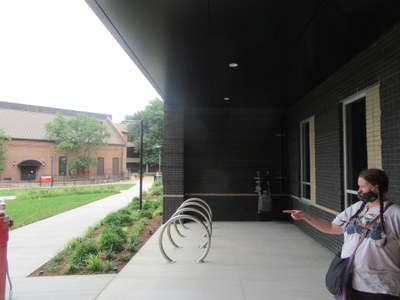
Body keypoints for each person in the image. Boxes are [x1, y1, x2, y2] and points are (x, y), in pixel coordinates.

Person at [283, 168, 400, 300]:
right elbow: (332, 227)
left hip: (382, 287)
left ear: (375, 187)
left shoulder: (395, 213)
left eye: (363, 186)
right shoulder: (357, 208)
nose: (359, 191)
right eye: (358, 186)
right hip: (351, 282)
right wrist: (305, 216)